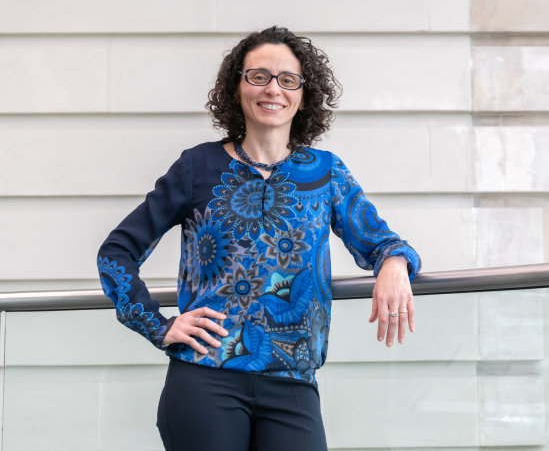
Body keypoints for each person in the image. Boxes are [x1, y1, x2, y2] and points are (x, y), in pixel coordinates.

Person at [97, 26, 421, 451]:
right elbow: (116, 253)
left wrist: (395, 264)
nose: (274, 89)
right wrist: (158, 326)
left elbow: (381, 242)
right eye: (259, 76)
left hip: (294, 384)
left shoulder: (325, 173)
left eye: (288, 79)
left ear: (304, 94)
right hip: (205, 378)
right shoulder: (197, 166)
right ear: (237, 87)